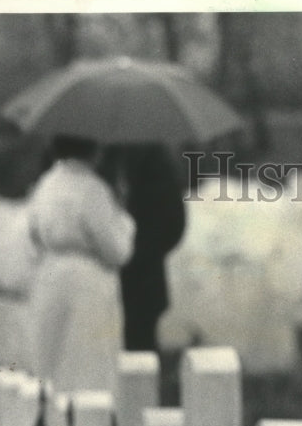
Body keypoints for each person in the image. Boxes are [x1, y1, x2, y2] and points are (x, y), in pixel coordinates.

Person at [26, 135, 135, 394]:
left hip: (50, 277)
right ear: (94, 149)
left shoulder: (46, 185)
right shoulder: (93, 190)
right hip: (88, 283)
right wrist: (123, 216)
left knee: (52, 361)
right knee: (88, 367)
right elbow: (118, 251)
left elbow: (33, 234)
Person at [103, 144, 186, 352]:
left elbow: (172, 222)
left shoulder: (150, 156)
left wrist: (133, 253)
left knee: (138, 355)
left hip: (139, 283)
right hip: (120, 283)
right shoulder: (92, 152)